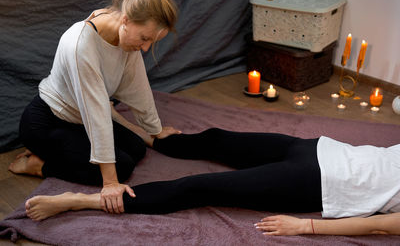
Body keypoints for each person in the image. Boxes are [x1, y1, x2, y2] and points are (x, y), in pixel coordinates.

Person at [23, 120, 400, 236]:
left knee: (197, 187)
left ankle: (85, 199)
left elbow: (379, 227)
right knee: (218, 140)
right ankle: (145, 133)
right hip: (317, 148)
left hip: (315, 185)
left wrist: (305, 228)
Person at [8, 0, 181, 215]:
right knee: (122, 167)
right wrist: (110, 183)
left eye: (152, 41)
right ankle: (39, 165)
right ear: (126, 20)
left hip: (79, 121)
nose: (146, 48)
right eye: (144, 38)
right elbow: (96, 112)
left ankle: (58, 155)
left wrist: (155, 130)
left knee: (137, 148)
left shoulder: (124, 33)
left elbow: (137, 86)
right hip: (45, 123)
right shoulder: (80, 44)